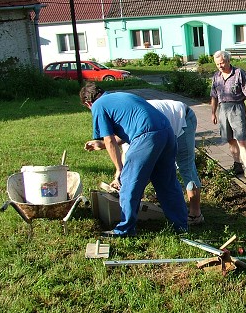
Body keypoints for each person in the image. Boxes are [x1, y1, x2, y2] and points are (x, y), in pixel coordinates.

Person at [80, 82, 188, 237]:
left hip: (147, 136)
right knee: (167, 182)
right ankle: (181, 227)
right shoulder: (121, 96)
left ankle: (125, 229)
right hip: (167, 131)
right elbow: (127, 130)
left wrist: (119, 169)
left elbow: (110, 141)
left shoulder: (98, 105)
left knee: (129, 183)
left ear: (88, 103)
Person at [85, 99, 204, 226]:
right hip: (158, 128)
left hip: (181, 117)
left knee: (185, 166)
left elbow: (137, 161)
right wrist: (120, 176)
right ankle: (176, 216)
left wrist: (125, 177)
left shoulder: (126, 116)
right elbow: (129, 152)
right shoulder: (123, 117)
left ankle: (195, 214)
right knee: (145, 169)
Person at [210, 50, 246, 181]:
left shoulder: (238, 73)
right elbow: (213, 96)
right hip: (223, 109)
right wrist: (213, 113)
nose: (220, 66)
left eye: (222, 63)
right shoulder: (216, 76)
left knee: (241, 139)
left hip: (237, 108)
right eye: (217, 64)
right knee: (230, 139)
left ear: (228, 60)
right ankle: (237, 165)